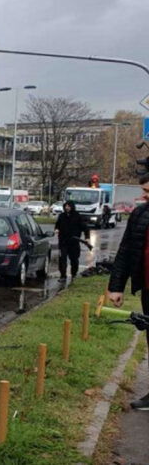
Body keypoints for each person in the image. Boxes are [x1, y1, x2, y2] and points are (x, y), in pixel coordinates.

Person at [107, 175, 149, 409]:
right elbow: (125, 250)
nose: (143, 195)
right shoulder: (140, 214)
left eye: (147, 191)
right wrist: (116, 287)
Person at [54, 200, 90, 282]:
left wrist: (87, 238)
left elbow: (85, 228)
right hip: (63, 242)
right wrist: (56, 229)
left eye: (68, 206)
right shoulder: (62, 216)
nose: (67, 207)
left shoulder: (77, 216)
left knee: (74, 259)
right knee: (62, 259)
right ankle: (63, 276)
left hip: (74, 242)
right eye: (66, 206)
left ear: (72, 207)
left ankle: (73, 274)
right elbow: (57, 225)